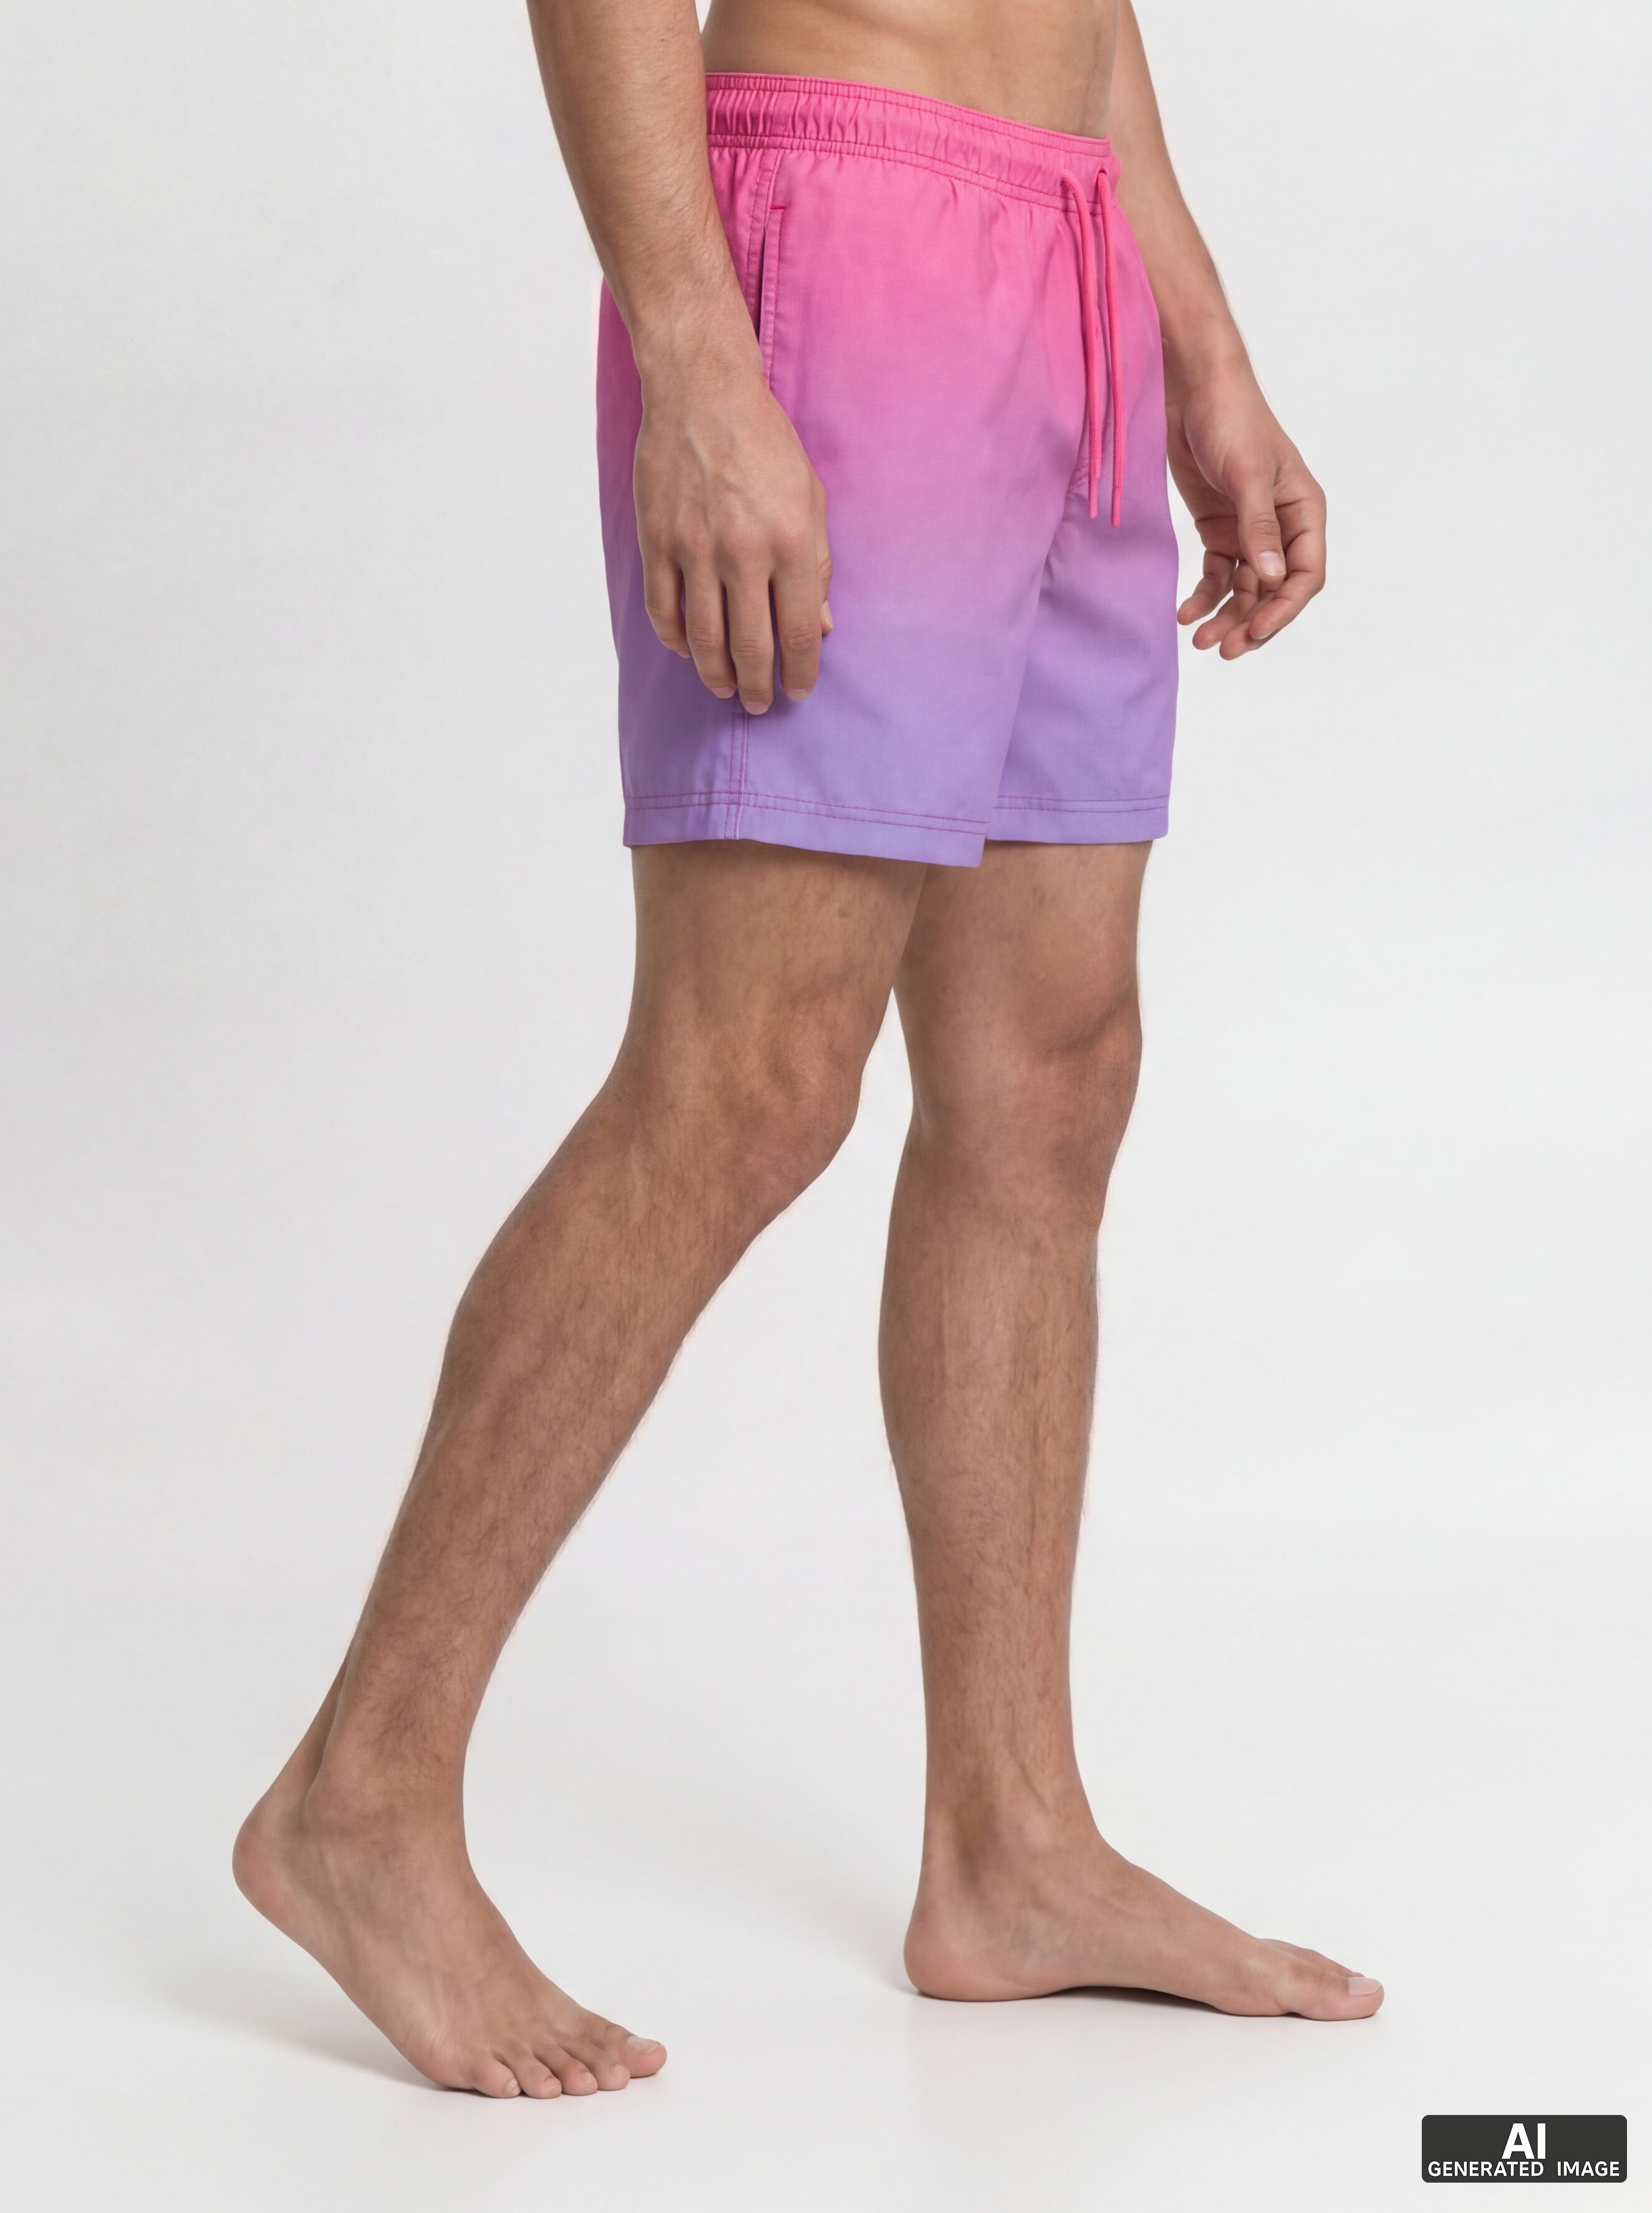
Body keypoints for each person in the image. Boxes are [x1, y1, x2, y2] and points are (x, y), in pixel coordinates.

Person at [233, 0, 1382, 2101]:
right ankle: (357, 1796)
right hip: (841, 243)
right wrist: (694, 353)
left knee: (1051, 1073)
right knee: (744, 1078)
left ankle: (1012, 1849)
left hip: (1071, 253)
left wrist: (1198, 341)